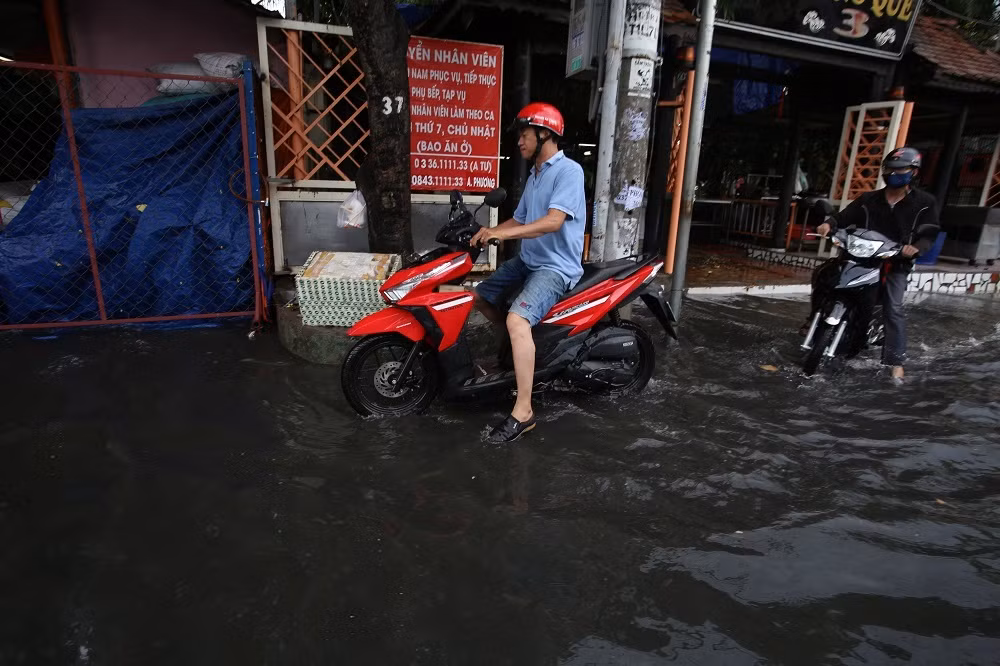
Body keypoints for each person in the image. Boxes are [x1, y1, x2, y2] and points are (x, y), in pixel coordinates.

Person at [469, 102, 586, 443]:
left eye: (524, 135)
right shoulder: (535, 174)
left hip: (555, 266)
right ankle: (517, 352)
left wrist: (501, 235)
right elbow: (519, 219)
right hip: (530, 261)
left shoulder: (568, 172)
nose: (519, 142)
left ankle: (524, 412)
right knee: (480, 296)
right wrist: (483, 231)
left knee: (517, 320)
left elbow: (552, 222)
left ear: (544, 133)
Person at [811, 146, 940, 382]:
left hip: (895, 263)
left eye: (900, 169)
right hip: (860, 258)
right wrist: (828, 224)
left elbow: (929, 234)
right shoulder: (869, 199)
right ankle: (813, 321)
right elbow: (843, 216)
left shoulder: (924, 202)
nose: (893, 173)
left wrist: (916, 248)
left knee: (893, 307)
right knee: (824, 276)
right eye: (890, 169)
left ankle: (895, 361)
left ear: (913, 172)